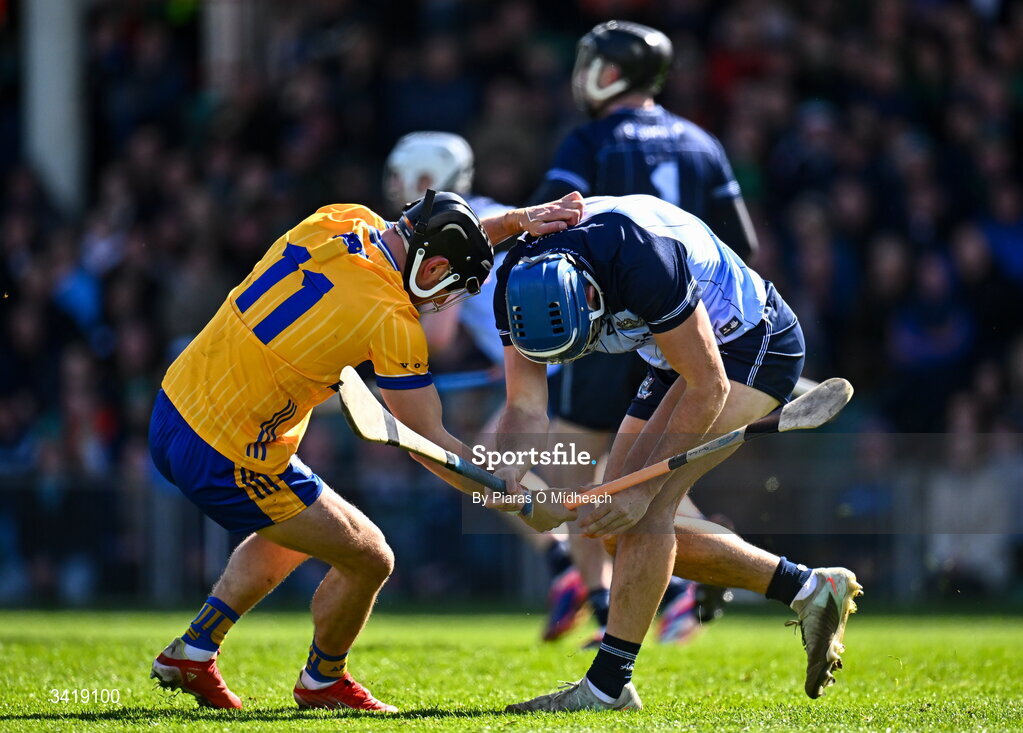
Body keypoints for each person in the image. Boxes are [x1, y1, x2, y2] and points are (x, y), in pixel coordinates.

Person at [147, 189, 582, 711]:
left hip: (174, 404)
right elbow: (429, 446)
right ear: (435, 266)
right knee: (369, 557)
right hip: (226, 452)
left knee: (299, 524)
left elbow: (435, 239)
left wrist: (516, 222)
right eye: (447, 289)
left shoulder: (340, 219)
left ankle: (193, 651)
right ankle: (322, 681)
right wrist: (514, 495)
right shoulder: (392, 319)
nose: (439, 302)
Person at [493, 194, 861, 711]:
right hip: (675, 349)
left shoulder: (639, 258)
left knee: (646, 513)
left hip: (747, 342)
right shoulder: (517, 283)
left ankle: (607, 687)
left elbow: (707, 384)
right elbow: (526, 406)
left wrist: (643, 489)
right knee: (614, 528)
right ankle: (808, 589)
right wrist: (510, 473)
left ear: (594, 297)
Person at [526, 20, 762, 645]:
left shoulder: (590, 140)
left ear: (614, 71)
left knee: (577, 475)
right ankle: (693, 582)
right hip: (686, 333)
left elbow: (548, 225)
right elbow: (743, 248)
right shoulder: (701, 142)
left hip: (605, 325)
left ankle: (611, 608)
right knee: (650, 480)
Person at [383, 131, 585, 634]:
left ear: (426, 179)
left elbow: (439, 335)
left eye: (400, 175)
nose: (392, 186)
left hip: (559, 369)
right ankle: (593, 581)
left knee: (489, 468)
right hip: (578, 355)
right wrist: (506, 354)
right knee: (598, 479)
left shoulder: (439, 231)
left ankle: (576, 570)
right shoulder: (496, 209)